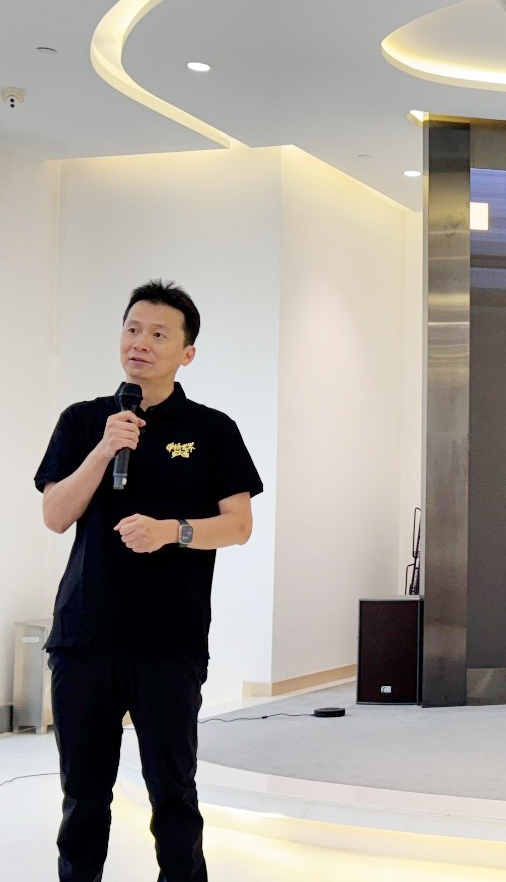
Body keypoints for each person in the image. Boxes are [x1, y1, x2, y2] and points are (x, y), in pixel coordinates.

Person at [35, 280, 263, 882]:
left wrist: (172, 531)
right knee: (83, 797)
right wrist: (103, 449)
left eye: (159, 334)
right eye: (132, 329)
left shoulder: (213, 430)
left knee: (173, 795)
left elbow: (239, 526)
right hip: (84, 637)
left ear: (187, 352)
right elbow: (56, 514)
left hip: (169, 640)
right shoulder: (84, 421)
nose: (140, 342)